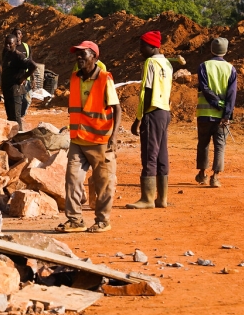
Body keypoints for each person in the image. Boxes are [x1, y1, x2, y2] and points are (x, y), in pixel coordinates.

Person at [58, 41, 121, 233]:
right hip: (78, 139)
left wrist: (114, 136)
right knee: (73, 179)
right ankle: (75, 220)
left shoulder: (104, 79)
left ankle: (103, 220)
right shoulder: (75, 78)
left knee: (103, 182)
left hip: (100, 140)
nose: (78, 58)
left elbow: (117, 108)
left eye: (82, 54)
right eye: (76, 54)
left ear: (94, 57)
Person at [127, 30, 174, 209]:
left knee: (149, 154)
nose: (140, 49)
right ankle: (161, 198)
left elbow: (146, 92)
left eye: (142, 46)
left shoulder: (150, 63)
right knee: (162, 154)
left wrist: (139, 118)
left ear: (152, 46)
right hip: (164, 111)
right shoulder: (167, 63)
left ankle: (147, 198)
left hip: (152, 111)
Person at [196, 37, 237, 188]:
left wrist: (215, 102)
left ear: (212, 50)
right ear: (225, 51)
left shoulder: (203, 66)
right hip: (222, 118)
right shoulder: (231, 69)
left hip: (204, 115)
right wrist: (226, 113)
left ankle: (202, 174)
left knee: (203, 144)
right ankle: (215, 177)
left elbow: (204, 89)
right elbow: (232, 95)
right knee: (220, 146)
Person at [0, 34, 37, 130]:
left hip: (16, 91)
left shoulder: (18, 56)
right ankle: (12, 141)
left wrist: (23, 77)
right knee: (10, 118)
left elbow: (33, 66)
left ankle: (19, 138)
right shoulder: (6, 53)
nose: (7, 45)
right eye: (6, 43)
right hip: (7, 90)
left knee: (16, 118)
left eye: (10, 43)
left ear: (15, 44)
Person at [14, 27, 33, 119]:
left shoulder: (27, 47)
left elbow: (31, 62)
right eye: (15, 34)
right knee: (17, 99)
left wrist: (32, 78)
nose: (17, 36)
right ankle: (17, 118)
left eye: (19, 34)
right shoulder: (11, 46)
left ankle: (21, 116)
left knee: (27, 100)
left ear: (22, 36)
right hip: (16, 78)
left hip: (26, 78)